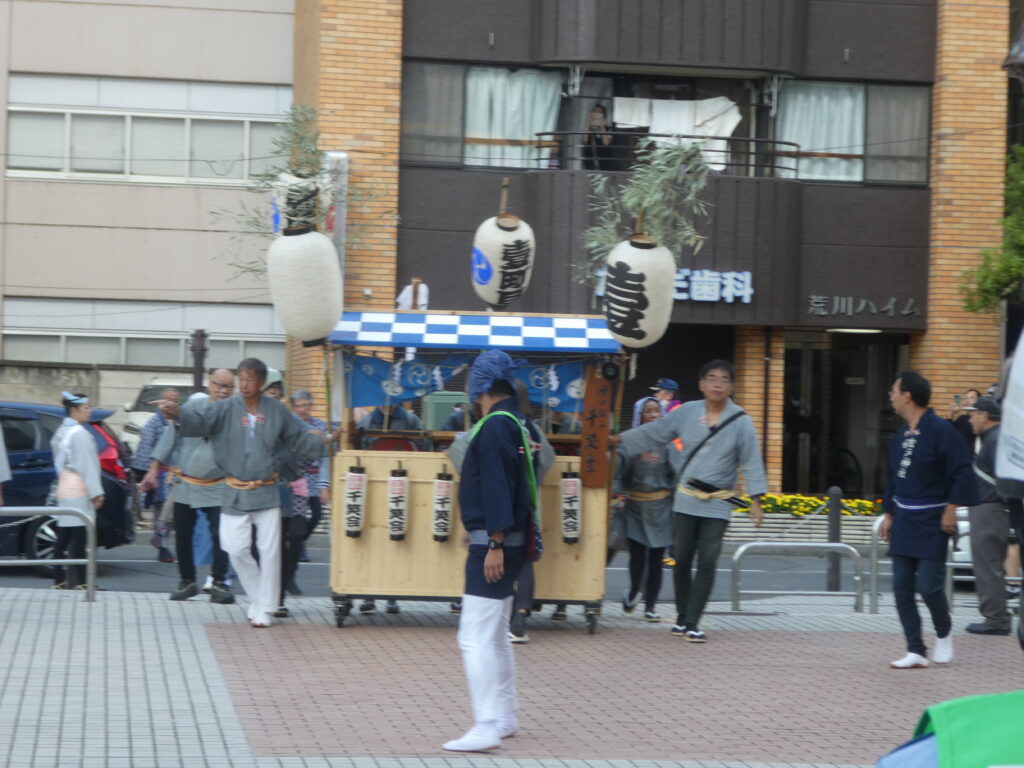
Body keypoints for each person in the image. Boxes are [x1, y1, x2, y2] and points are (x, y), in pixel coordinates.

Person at [165, 358, 332, 628]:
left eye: (250, 379)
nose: (244, 384)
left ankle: (264, 607)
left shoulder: (276, 410)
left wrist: (325, 440)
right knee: (235, 548)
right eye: (241, 379)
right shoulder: (225, 408)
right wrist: (177, 413)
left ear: (261, 382)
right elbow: (199, 420)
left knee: (269, 552)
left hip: (267, 490)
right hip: (234, 490)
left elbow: (298, 438)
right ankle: (260, 600)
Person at [612, 360, 766, 642]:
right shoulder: (686, 412)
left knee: (707, 560)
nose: (717, 384)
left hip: (719, 501)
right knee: (681, 560)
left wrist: (756, 499)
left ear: (732, 386)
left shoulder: (741, 420)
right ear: (702, 384)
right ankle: (683, 617)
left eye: (724, 379)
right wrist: (618, 439)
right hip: (685, 499)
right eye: (711, 378)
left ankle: (694, 621)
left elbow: (752, 460)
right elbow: (654, 432)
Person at [443, 349, 538, 752]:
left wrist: (493, 541)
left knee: (474, 637)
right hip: (505, 540)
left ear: (482, 385)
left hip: (496, 545)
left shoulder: (495, 425)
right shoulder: (517, 423)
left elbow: (497, 486)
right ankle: (504, 715)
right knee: (496, 636)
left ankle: (485, 724)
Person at [881, 371, 978, 669]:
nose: (891, 396)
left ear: (907, 395)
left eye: (894, 390)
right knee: (901, 587)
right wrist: (888, 514)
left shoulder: (941, 430)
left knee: (929, 586)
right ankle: (915, 649)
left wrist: (951, 508)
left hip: (934, 519)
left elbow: (962, 471)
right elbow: (894, 478)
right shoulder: (901, 435)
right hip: (904, 519)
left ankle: (944, 633)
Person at [143, 370, 237, 604]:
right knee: (183, 534)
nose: (223, 390)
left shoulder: (236, 411)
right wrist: (154, 469)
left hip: (219, 484)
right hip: (186, 481)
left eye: (228, 386)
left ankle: (218, 582)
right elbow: (170, 435)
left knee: (221, 537)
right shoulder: (194, 406)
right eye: (219, 385)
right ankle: (187, 581)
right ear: (209, 385)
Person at [617, 397, 676, 622]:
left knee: (656, 560)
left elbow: (677, 471)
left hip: (661, 507)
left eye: (657, 411)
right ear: (639, 416)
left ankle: (650, 606)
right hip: (635, 507)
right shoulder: (629, 442)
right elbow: (618, 470)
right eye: (648, 411)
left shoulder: (668, 444)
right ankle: (633, 591)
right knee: (638, 558)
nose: (653, 415)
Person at [963, 396, 1012, 636]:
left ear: (985, 415)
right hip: (992, 509)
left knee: (987, 565)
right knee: (990, 564)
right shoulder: (994, 438)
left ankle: (996, 620)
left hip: (989, 509)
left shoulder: (994, 441)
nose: (971, 418)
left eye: (973, 413)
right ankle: (997, 616)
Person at [51, 393, 105, 590]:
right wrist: (96, 493)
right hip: (79, 486)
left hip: (64, 485)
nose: (90, 411)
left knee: (64, 535)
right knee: (82, 536)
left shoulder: (61, 431)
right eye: (86, 408)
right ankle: (82, 582)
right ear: (74, 410)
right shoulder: (80, 433)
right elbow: (87, 466)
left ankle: (59, 579)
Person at [131, 388, 179, 563]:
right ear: (161, 401)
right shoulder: (153, 423)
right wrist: (147, 475)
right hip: (160, 474)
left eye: (175, 400)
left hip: (177, 474)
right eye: (169, 400)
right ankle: (162, 544)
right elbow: (145, 449)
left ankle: (160, 539)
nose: (171, 403)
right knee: (162, 512)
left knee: (173, 513)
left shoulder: (179, 422)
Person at [290, 390, 330, 562]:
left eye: (305, 405)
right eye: (298, 406)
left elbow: (325, 455)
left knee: (317, 515)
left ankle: (297, 543)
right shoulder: (290, 425)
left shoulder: (320, 425)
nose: (302, 409)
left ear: (311, 406)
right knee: (298, 515)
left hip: (314, 477)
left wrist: (324, 485)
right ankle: (299, 550)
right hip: (297, 477)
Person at [356, 403, 426, 449]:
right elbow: (360, 449)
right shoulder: (366, 422)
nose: (387, 402)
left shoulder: (412, 420)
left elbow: (423, 448)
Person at [582, 104, 612, 171]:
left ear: (604, 116)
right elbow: (584, 140)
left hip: (604, 162)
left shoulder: (608, 129)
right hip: (590, 162)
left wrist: (602, 126)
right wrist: (588, 123)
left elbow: (606, 143)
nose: (597, 115)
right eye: (595, 112)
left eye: (599, 113)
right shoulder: (589, 129)